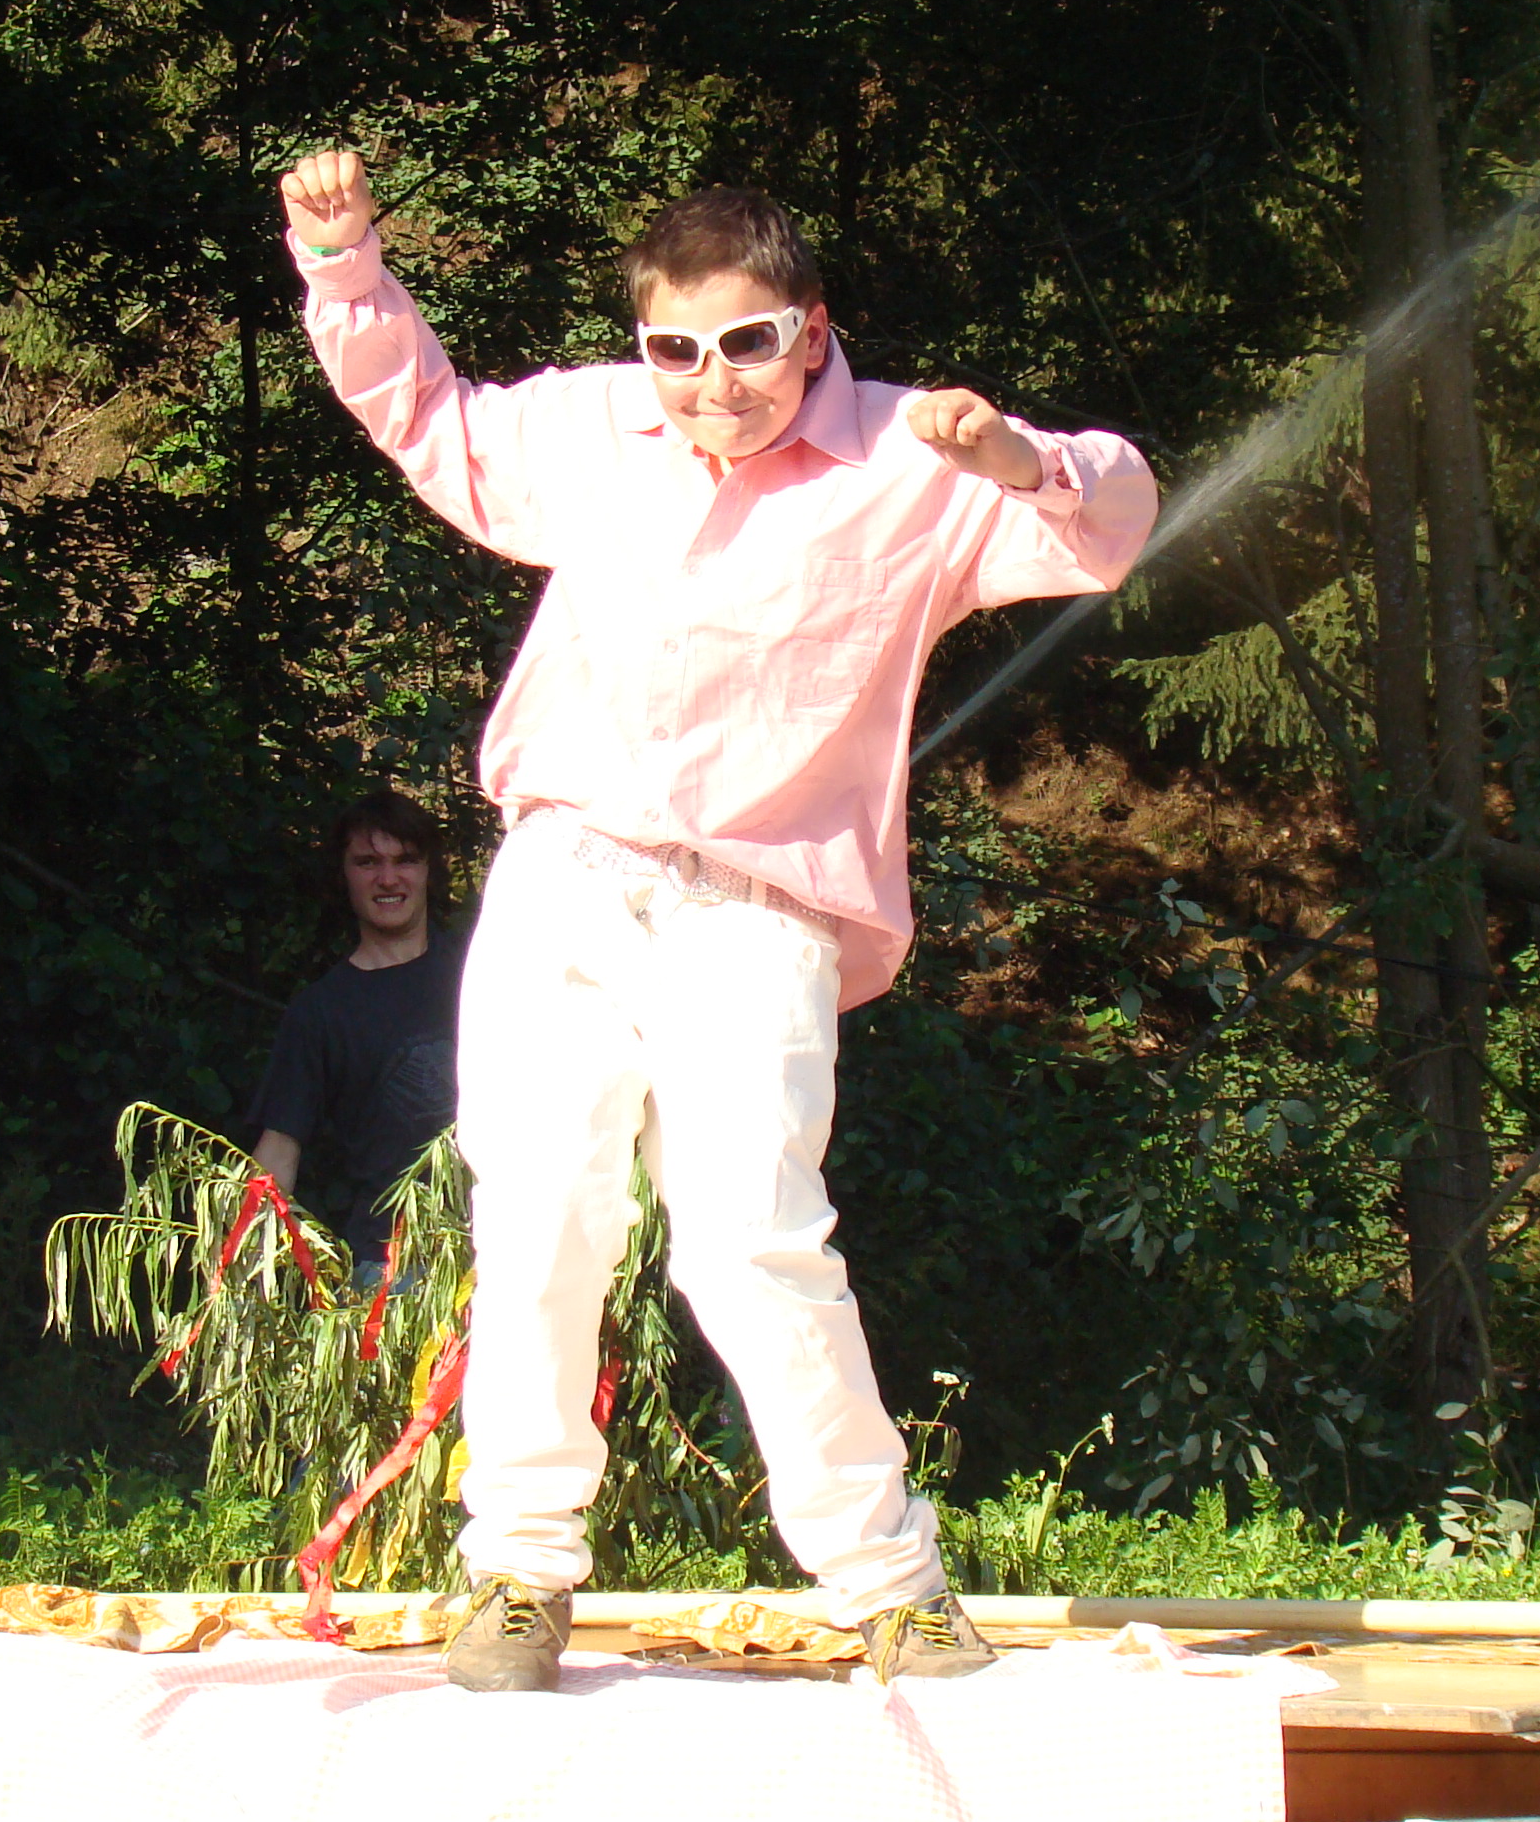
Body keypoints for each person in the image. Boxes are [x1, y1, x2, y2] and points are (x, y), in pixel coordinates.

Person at [278, 150, 1157, 1690]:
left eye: (746, 344)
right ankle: (519, 1575)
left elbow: (1114, 524)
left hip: (760, 908)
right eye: (676, 349)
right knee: (538, 1215)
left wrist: (1019, 460)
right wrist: (344, 264)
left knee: (753, 1239)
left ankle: (890, 1586)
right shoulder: (598, 429)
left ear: (810, 331)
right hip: (567, 874)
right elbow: (431, 420)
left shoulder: (910, 457)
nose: (711, 382)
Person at [245, 790, 468, 1270]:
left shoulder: (486, 969)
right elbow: (278, 1152)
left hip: (515, 1247)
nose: (388, 879)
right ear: (343, 874)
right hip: (394, 1271)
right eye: (368, 862)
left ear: (429, 871)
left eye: (405, 860)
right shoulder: (321, 1012)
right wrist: (239, 1268)